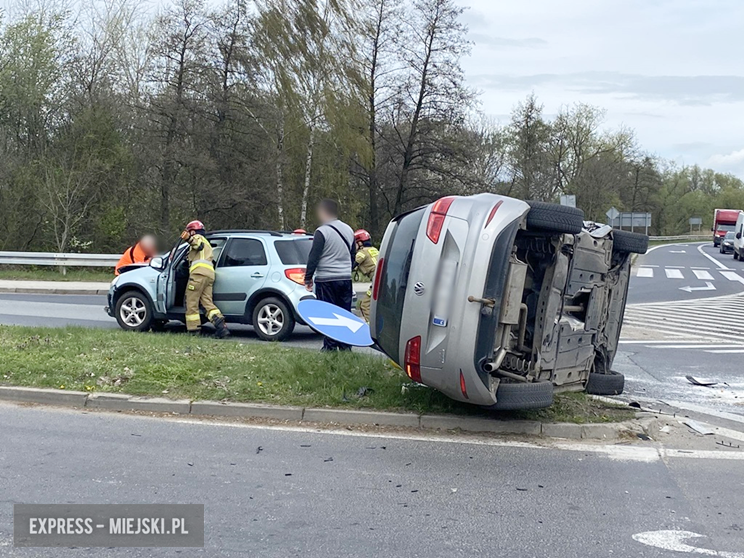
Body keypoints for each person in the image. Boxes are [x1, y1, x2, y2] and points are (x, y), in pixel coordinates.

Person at [304, 199, 355, 351]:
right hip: (345, 278)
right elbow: (352, 254)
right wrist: (346, 269)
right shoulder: (348, 230)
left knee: (328, 316)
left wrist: (308, 278)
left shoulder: (322, 231)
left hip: (326, 279)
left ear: (323, 212)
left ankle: (330, 348)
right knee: (344, 314)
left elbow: (314, 256)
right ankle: (346, 346)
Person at [179, 220, 230, 339]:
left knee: (191, 301)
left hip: (198, 275)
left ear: (192, 231)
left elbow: (197, 244)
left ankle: (193, 331)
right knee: (207, 303)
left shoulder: (198, 238)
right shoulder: (208, 244)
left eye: (189, 232)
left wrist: (188, 238)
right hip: (208, 276)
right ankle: (221, 328)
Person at [353, 229, 379, 323]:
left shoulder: (362, 252)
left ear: (360, 243)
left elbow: (352, 265)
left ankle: (370, 328)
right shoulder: (374, 250)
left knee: (364, 305)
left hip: (377, 282)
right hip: (381, 281)